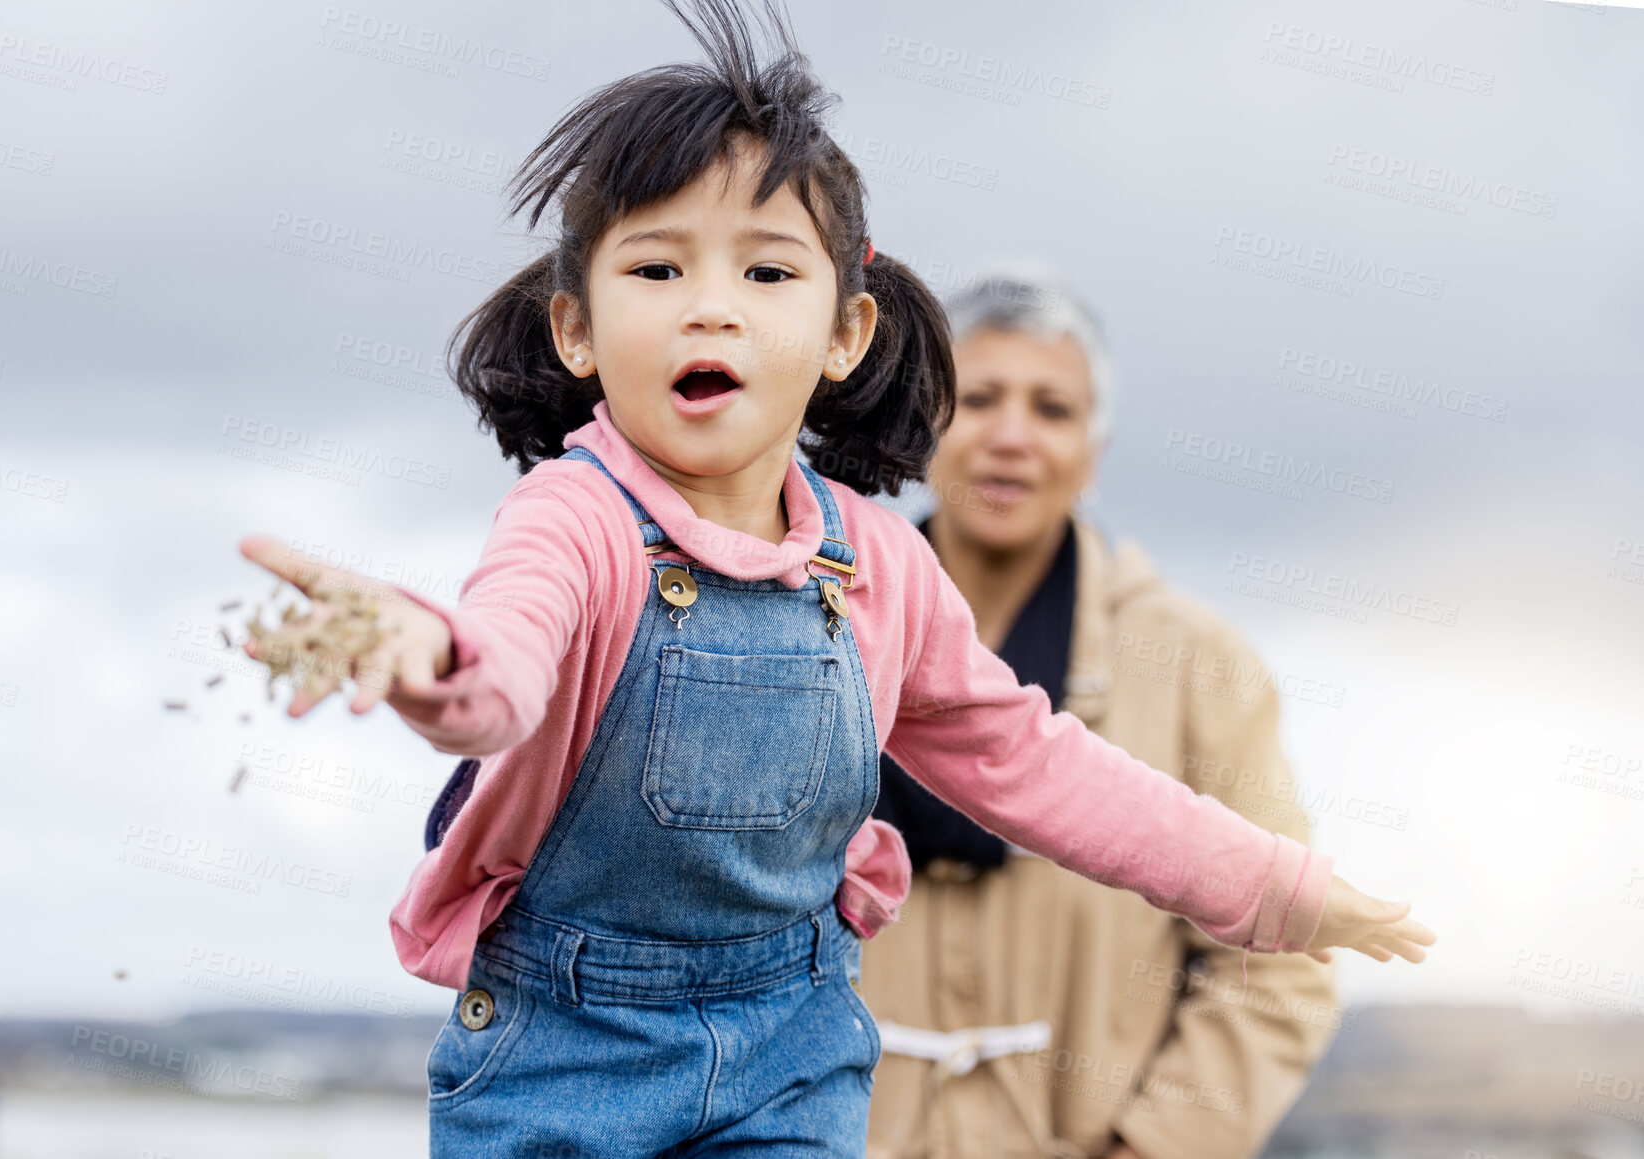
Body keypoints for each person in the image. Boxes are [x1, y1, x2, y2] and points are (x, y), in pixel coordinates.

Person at [234, 3, 1433, 1154]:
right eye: (656, 271)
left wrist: (1279, 891)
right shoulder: (574, 522)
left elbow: (1040, 768)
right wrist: (426, 656)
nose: (712, 307)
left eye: (767, 273)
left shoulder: (878, 568)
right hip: (564, 1058)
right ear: (576, 330)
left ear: (847, 331)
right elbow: (505, 668)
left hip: (789, 1060)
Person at [862, 265, 1344, 1159]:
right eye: (980, 400)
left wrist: (1151, 1148)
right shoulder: (818, 630)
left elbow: (1277, 957)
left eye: (1052, 409)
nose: (1012, 437)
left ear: (1095, 447)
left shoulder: (1200, 666)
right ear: (925, 424)